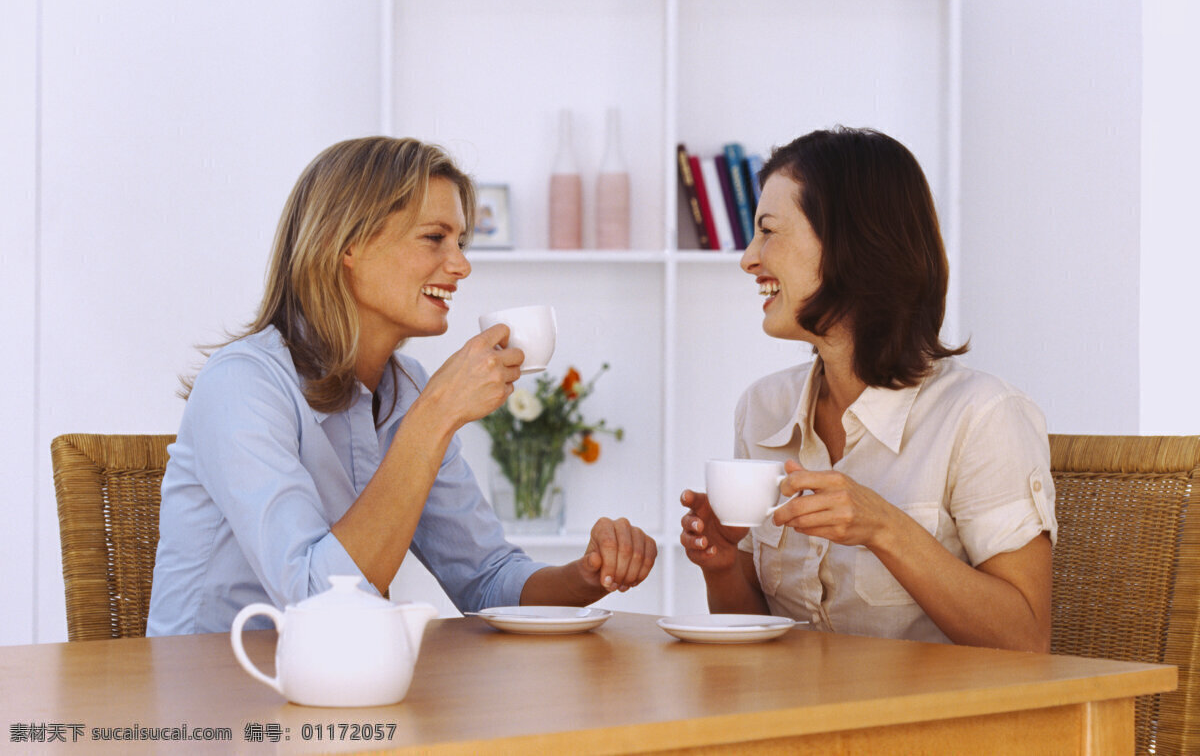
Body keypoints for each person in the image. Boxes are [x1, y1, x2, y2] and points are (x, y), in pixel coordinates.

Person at [147, 136, 656, 635]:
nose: (461, 265)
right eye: (435, 238)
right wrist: (435, 416)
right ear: (344, 244)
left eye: (461, 242)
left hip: (339, 690)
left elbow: (487, 578)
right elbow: (319, 603)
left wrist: (588, 575)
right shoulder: (242, 386)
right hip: (213, 698)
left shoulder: (405, 387)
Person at [680, 127, 1055, 652]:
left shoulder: (982, 416)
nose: (748, 258)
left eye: (768, 232)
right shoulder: (762, 409)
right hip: (796, 720)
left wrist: (884, 529)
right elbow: (760, 641)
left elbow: (1026, 639)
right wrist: (721, 567)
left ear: (850, 245)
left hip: (933, 726)